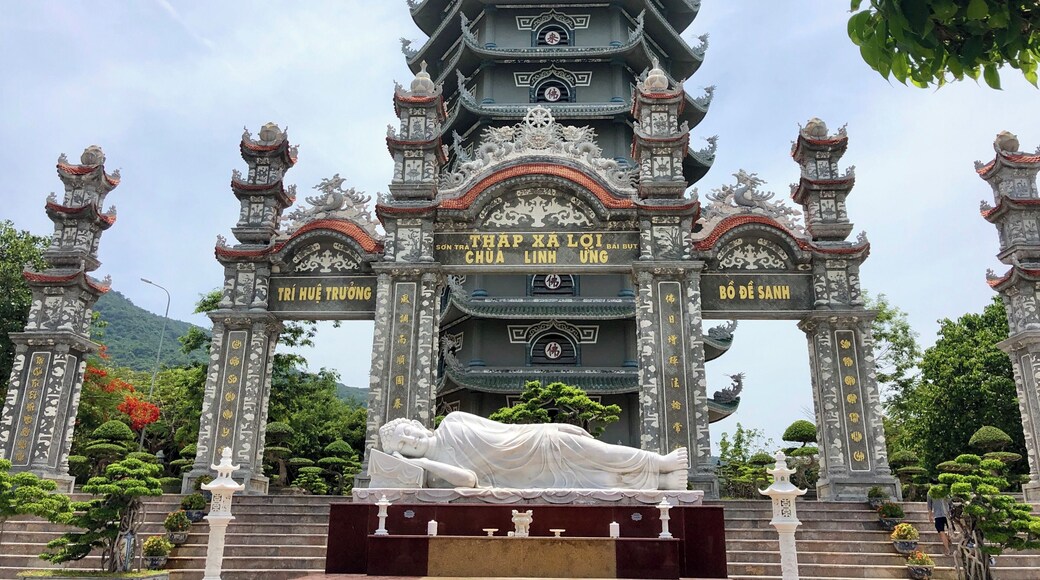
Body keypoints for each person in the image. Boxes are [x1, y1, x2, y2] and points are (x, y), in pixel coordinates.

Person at [378, 411, 689, 490]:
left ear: (415, 424)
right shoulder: (439, 468)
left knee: (601, 453)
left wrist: (546, 428)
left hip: (534, 441)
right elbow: (470, 480)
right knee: (598, 483)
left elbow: (501, 429)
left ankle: (659, 462)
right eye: (404, 446)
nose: (411, 441)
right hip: (522, 478)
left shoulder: (453, 420)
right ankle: (659, 483)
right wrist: (420, 463)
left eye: (407, 433)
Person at [927, 484, 953, 555]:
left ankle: (948, 538)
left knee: (949, 531)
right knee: (941, 533)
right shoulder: (930, 492)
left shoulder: (945, 491)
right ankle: (947, 549)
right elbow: (929, 505)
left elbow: (950, 502)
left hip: (947, 515)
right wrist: (930, 515)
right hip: (937, 516)